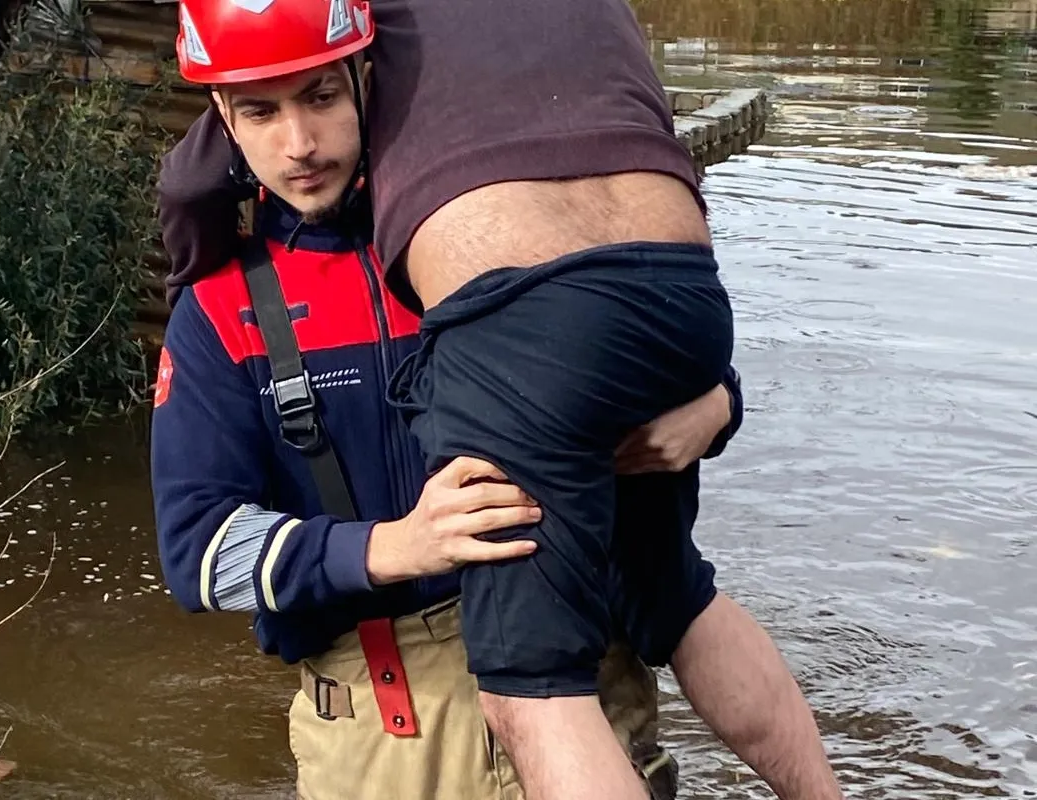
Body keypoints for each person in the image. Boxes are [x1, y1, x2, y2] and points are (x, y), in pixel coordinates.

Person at [157, 1, 845, 799]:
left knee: (677, 585)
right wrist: (389, 547)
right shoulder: (220, 312)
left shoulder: (476, 237)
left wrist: (719, 403)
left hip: (591, 698)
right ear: (223, 119)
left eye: (321, 98)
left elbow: (632, 354)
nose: (300, 143)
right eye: (261, 113)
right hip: (390, 747)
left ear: (368, 80)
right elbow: (198, 554)